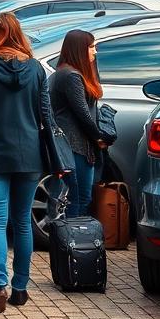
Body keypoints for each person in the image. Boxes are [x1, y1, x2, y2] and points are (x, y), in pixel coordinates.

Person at [0, 12, 65, 313]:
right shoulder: (36, 69)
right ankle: (20, 286)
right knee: (22, 221)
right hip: (29, 154)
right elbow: (45, 114)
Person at [49, 29, 106, 217]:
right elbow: (82, 113)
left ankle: (74, 237)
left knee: (80, 197)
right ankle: (73, 239)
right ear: (79, 50)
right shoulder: (71, 76)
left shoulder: (70, 73)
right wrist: (98, 137)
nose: (95, 51)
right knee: (79, 198)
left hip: (78, 143)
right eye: (91, 47)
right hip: (75, 145)